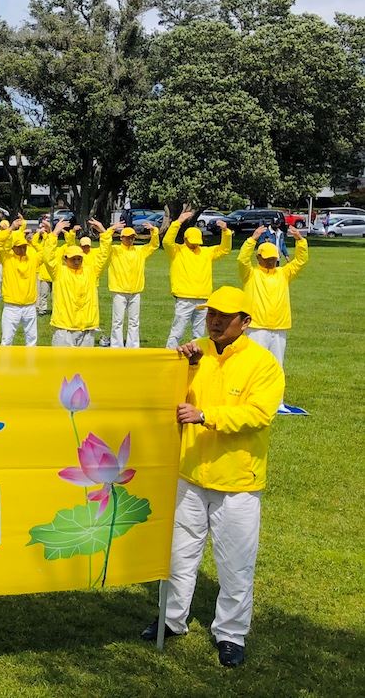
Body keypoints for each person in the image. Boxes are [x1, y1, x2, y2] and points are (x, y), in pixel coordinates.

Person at [143, 286, 284, 669]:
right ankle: (171, 620)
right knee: (178, 555)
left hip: (236, 481)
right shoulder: (197, 354)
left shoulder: (263, 364)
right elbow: (172, 399)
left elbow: (259, 414)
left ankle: (231, 634)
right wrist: (184, 366)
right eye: (210, 314)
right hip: (190, 473)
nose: (216, 321)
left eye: (225, 315)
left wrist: (207, 416)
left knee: (235, 563)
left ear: (245, 322)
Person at [237, 225, 308, 366]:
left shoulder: (284, 273)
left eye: (273, 258)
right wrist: (252, 239)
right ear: (258, 257)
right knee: (254, 364)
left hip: (279, 327)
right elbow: (242, 260)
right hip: (257, 327)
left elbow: (300, 261)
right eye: (267, 258)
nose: (271, 262)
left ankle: (276, 388)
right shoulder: (250, 274)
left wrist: (300, 241)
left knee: (276, 365)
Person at [163, 211, 232, 349]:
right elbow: (166, 241)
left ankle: (197, 357)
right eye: (192, 242)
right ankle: (169, 354)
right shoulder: (177, 251)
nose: (195, 245)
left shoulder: (206, 252)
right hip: (184, 297)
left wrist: (226, 232)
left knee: (199, 333)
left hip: (203, 298)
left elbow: (224, 250)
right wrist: (178, 222)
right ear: (185, 239)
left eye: (197, 242)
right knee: (178, 331)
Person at [44, 219, 110, 346]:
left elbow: (103, 256)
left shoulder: (91, 271)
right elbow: (48, 257)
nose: (76, 261)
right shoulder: (58, 272)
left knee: (84, 365)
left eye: (79, 258)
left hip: (87, 327)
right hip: (64, 328)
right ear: (65, 259)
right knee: (62, 365)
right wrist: (54, 234)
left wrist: (104, 232)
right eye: (73, 258)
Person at [0, 219, 51, 346]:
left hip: (29, 306)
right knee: (7, 340)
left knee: (32, 341)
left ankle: (30, 364)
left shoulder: (32, 259)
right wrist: (11, 228)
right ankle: (5, 364)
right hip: (11, 306)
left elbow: (44, 252)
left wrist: (37, 240)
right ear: (13, 247)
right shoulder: (6, 258)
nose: (22, 249)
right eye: (19, 247)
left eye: (24, 246)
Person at [105, 221, 159, 348]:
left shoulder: (140, 250)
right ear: (121, 237)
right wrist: (111, 229)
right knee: (118, 321)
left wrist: (154, 231)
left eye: (132, 237)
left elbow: (154, 245)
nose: (130, 239)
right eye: (127, 237)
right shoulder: (114, 250)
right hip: (119, 290)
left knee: (134, 321)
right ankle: (116, 345)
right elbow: (105, 242)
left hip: (135, 291)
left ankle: (133, 345)